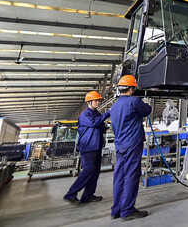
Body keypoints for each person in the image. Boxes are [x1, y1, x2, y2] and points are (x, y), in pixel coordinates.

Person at [109, 75, 151, 221]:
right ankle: (127, 210)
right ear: (132, 88)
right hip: (133, 144)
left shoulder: (114, 106)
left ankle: (116, 210)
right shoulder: (134, 101)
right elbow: (146, 111)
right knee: (132, 176)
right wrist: (146, 102)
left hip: (120, 145)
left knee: (119, 177)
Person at [63, 91, 110, 204]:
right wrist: (108, 113)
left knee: (95, 172)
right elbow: (94, 123)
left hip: (97, 146)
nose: (98, 102)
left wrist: (105, 127)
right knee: (88, 170)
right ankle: (70, 194)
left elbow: (100, 126)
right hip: (88, 147)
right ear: (89, 102)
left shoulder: (97, 114)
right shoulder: (85, 115)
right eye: (96, 100)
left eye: (99, 100)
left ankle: (88, 195)